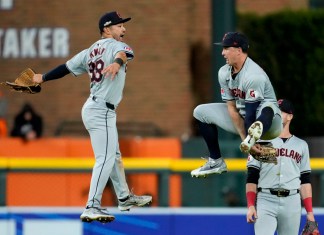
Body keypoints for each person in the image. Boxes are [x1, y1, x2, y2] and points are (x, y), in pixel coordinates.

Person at [32, 11, 152, 223]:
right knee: (105, 158)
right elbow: (123, 55)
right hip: (100, 111)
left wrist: (42, 78)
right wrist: (116, 62)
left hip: (97, 108)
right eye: (119, 25)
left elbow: (65, 68)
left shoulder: (89, 51)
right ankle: (91, 205)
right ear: (107, 28)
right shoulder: (115, 46)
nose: (123, 29)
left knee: (113, 156)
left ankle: (124, 197)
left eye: (123, 25)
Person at [191, 32, 282, 177]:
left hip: (271, 123)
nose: (222, 52)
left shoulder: (254, 75)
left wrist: (249, 142)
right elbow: (232, 108)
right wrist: (245, 140)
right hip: (244, 119)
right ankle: (216, 161)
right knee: (200, 112)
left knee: (267, 107)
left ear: (239, 50)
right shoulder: (223, 73)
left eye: (226, 48)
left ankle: (254, 138)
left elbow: (251, 113)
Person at [246, 99, 317, 235]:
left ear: (290, 116)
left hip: (292, 201)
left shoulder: (301, 145)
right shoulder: (260, 142)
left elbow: (305, 181)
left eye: (280, 111)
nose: (275, 114)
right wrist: (250, 205)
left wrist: (310, 212)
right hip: (266, 199)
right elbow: (252, 176)